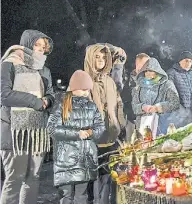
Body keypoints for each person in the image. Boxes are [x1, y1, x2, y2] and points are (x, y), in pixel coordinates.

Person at [0, 29, 55, 204]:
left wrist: (47, 101)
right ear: (27, 44)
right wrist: (35, 101)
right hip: (13, 132)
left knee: (33, 178)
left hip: (38, 132)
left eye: (43, 47)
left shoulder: (44, 70)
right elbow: (4, 95)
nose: (40, 49)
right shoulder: (9, 64)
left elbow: (51, 95)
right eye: (36, 44)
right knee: (14, 179)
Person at [47, 70, 105, 204]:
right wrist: (77, 134)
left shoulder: (92, 106)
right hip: (66, 161)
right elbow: (52, 128)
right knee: (67, 196)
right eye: (83, 89)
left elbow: (100, 126)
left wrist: (92, 132)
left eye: (88, 89)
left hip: (85, 161)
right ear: (74, 88)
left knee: (82, 196)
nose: (86, 92)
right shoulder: (61, 105)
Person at [84, 44, 120, 204]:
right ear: (90, 59)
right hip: (91, 139)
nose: (101, 60)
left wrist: (119, 127)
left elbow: (117, 106)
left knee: (108, 177)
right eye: (97, 57)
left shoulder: (110, 81)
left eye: (104, 57)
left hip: (110, 136)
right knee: (90, 180)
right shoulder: (84, 79)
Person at [132, 58, 180, 136]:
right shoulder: (140, 86)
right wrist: (143, 107)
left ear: (156, 71)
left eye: (150, 70)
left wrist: (158, 107)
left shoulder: (167, 84)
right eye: (145, 71)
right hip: (142, 127)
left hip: (161, 126)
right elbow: (134, 106)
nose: (147, 73)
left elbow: (175, 102)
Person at [166, 51, 192, 128]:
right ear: (180, 61)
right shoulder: (172, 73)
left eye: (190, 61)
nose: (188, 63)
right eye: (186, 60)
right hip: (177, 116)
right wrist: (181, 111)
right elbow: (170, 95)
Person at [121, 53, 150, 142]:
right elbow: (125, 101)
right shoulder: (129, 82)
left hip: (148, 120)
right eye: (144, 64)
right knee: (132, 148)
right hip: (133, 121)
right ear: (137, 65)